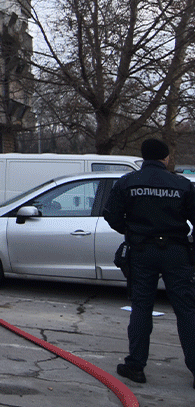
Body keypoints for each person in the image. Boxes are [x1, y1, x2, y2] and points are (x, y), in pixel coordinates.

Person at [103, 138, 195, 389]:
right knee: (187, 309)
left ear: (144, 158)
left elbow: (111, 214)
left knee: (142, 307)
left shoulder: (128, 182)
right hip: (176, 252)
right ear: (165, 158)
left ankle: (135, 366)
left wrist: (131, 231)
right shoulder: (182, 184)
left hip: (142, 250)